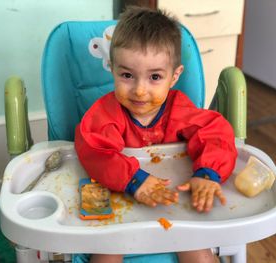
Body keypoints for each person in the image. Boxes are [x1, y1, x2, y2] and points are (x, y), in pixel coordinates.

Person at [74, 6, 237, 263]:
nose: (139, 90)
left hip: (172, 204)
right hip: (120, 206)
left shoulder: (179, 109)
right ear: (112, 69)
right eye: (127, 75)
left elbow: (215, 133)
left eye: (155, 77)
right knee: (105, 254)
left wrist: (207, 174)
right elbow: (95, 151)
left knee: (200, 254)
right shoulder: (105, 114)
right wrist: (133, 179)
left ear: (174, 77)